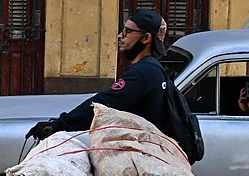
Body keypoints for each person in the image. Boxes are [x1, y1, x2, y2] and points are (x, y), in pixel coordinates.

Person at [26, 9, 170, 140]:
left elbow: (104, 104)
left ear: (146, 38)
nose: (121, 36)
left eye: (128, 31)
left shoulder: (144, 72)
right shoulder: (151, 68)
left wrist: (59, 125)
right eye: (122, 30)